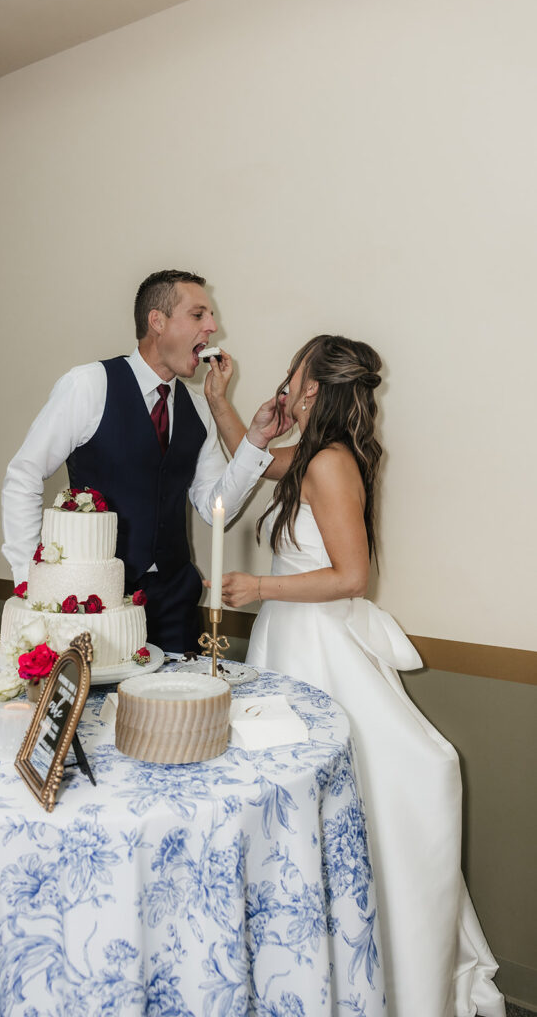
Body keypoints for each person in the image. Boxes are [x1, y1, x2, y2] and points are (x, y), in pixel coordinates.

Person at [204, 334, 505, 1017]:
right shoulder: (312, 456)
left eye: (291, 372)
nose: (283, 380)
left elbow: (350, 576)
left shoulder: (332, 463)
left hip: (315, 645)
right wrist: (222, 404)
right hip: (289, 640)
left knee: (360, 791)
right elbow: (248, 468)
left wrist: (259, 586)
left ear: (310, 388)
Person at [1, 269, 273, 653]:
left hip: (176, 602)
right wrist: (28, 576)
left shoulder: (198, 408)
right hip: (92, 601)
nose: (212, 327)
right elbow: (23, 475)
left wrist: (256, 441)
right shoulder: (89, 385)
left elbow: (217, 512)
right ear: (157, 321)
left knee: (180, 712)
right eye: (198, 315)